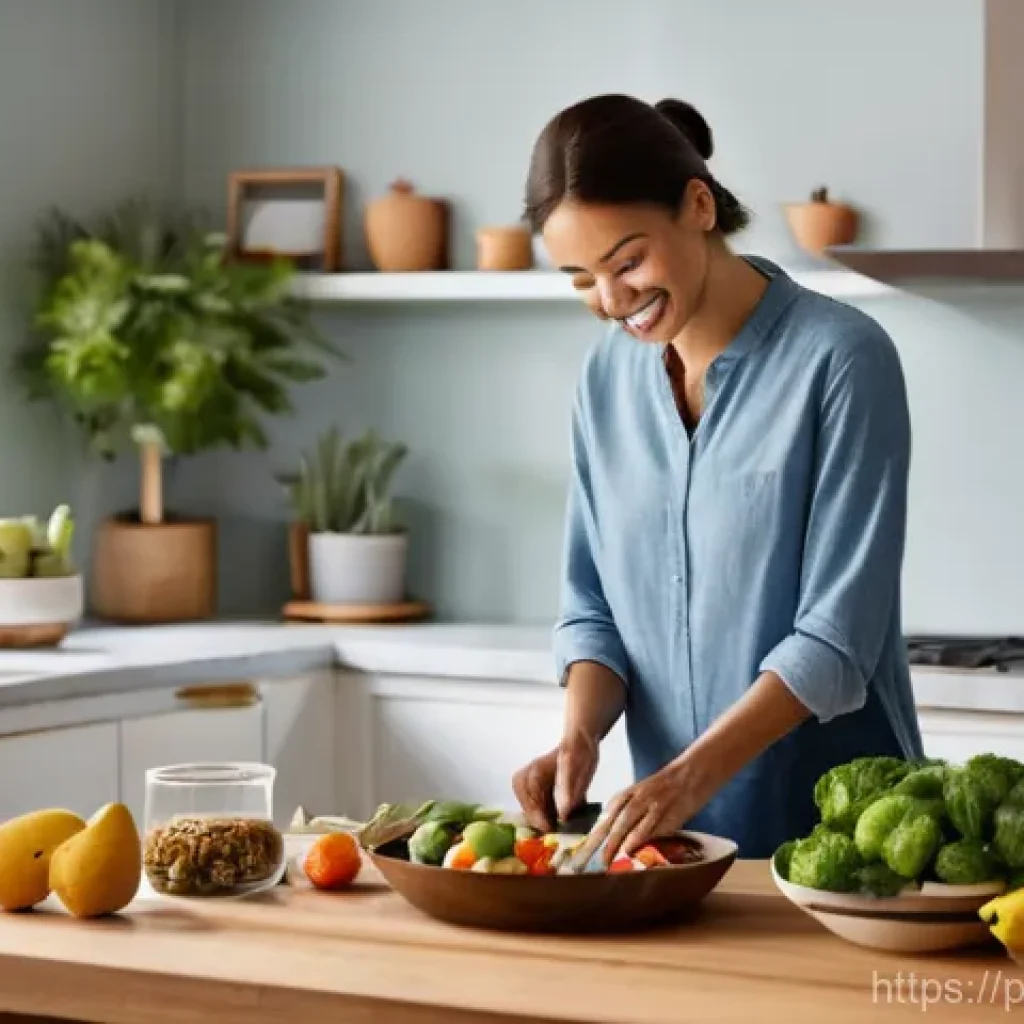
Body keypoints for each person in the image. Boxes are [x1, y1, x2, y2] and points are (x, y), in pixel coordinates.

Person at [511, 93, 924, 864]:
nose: (610, 301)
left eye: (628, 261)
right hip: (677, 852)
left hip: (847, 850)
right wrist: (579, 737)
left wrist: (685, 779)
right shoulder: (606, 379)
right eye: (580, 278)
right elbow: (594, 607)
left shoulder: (842, 360)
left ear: (698, 205)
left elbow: (836, 640)